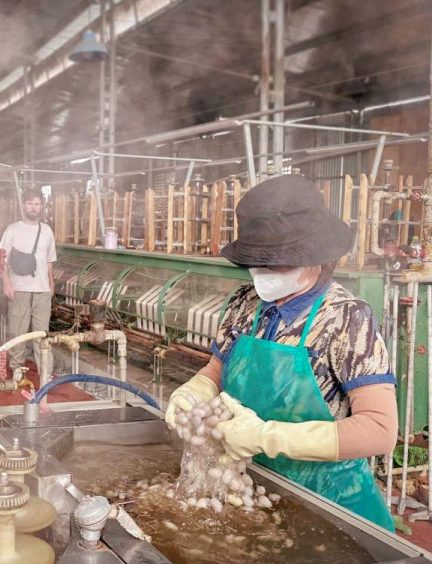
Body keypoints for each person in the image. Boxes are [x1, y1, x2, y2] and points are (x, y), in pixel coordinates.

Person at [164, 175, 397, 531]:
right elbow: (216, 369)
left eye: (278, 263)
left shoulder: (346, 318)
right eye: (257, 263)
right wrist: (192, 392)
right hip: (258, 489)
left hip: (330, 505)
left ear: (316, 257)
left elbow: (378, 430)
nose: (264, 274)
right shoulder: (244, 304)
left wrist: (267, 437)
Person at [0, 190, 57, 372]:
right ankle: (16, 368)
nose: (34, 207)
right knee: (18, 332)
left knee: (42, 334)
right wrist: (6, 282)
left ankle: (45, 372)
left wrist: (51, 284)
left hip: (42, 291)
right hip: (19, 289)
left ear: (42, 207)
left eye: (37, 204)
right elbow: (2, 259)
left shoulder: (47, 231)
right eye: (30, 203)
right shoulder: (13, 229)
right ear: (24, 205)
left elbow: (49, 261)